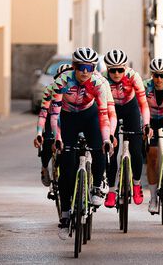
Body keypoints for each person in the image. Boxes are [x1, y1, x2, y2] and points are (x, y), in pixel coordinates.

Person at [43, 47, 116, 227]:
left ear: (94, 69)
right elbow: (55, 115)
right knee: (66, 166)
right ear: (74, 67)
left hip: (90, 116)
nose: (85, 72)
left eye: (89, 68)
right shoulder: (63, 81)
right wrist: (57, 137)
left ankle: (98, 186)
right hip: (68, 118)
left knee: (99, 148)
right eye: (82, 67)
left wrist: (107, 138)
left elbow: (104, 114)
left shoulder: (98, 83)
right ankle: (66, 211)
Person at [101, 49, 150, 209]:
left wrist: (146, 125)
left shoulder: (133, 76)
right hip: (111, 108)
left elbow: (143, 104)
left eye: (120, 70)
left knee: (136, 150)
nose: (116, 73)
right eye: (112, 70)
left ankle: (136, 184)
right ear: (107, 69)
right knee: (110, 151)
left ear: (125, 68)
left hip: (130, 108)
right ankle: (112, 191)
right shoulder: (102, 78)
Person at [144, 57, 163, 214]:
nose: (159, 79)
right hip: (151, 120)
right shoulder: (145, 87)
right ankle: (154, 197)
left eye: (162, 75)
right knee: (153, 155)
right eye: (156, 75)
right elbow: (141, 109)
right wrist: (145, 127)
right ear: (152, 75)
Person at [34, 63, 71, 187]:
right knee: (49, 141)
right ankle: (45, 167)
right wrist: (39, 133)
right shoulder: (51, 89)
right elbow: (43, 112)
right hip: (52, 117)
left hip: (67, 118)